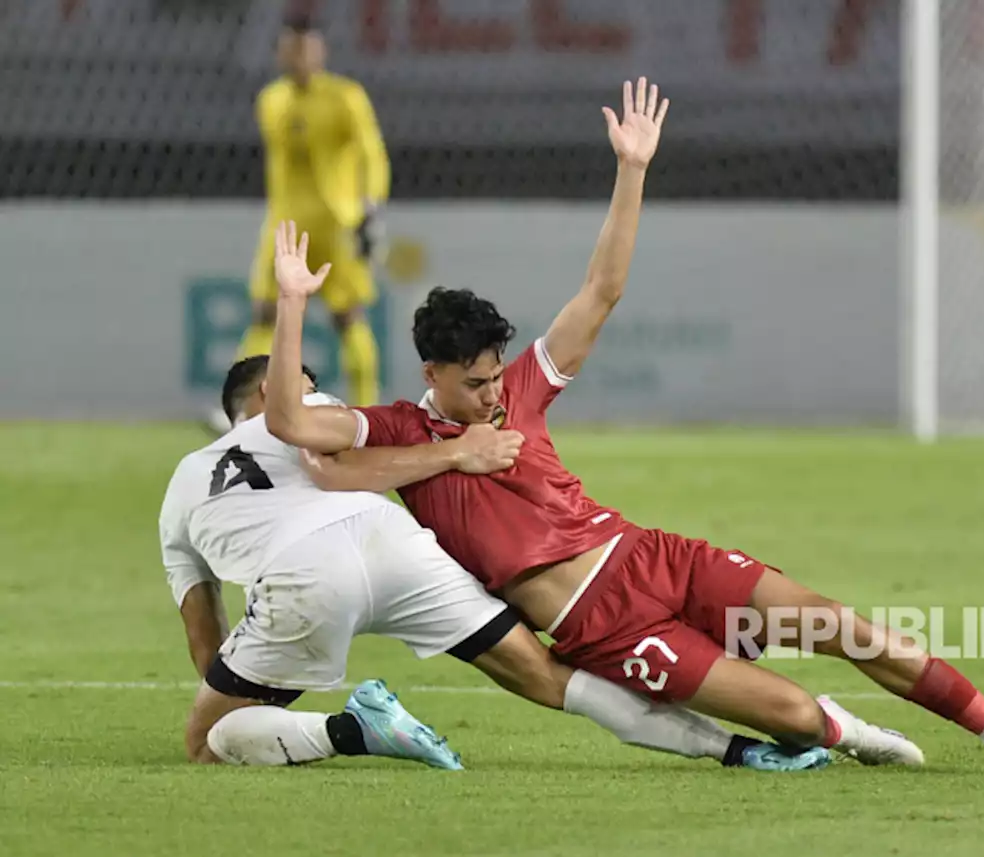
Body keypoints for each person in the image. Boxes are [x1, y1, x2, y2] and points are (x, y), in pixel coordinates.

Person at [260, 78, 930, 768]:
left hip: (635, 561)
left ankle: (867, 727)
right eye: (474, 381)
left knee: (819, 626)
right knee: (739, 706)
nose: (493, 392)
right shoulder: (396, 429)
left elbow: (601, 290)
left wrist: (632, 169)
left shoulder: (519, 388)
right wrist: (291, 303)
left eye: (496, 375)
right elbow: (287, 420)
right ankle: (799, 737)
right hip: (574, 619)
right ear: (432, 374)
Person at [162, 355, 831, 771]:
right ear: (273, 401)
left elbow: (202, 641)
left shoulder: (186, 482)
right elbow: (355, 463)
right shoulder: (321, 409)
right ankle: (736, 749)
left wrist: (242, 685)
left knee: (208, 735)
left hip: (302, 575)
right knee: (547, 676)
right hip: (397, 545)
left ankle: (352, 729)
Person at [236, 10, 387, 408]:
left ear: (321, 52)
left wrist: (370, 206)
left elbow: (371, 154)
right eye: (291, 49)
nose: (298, 58)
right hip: (284, 225)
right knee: (264, 314)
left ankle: (366, 411)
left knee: (347, 316)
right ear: (280, 53)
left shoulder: (345, 98)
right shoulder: (271, 101)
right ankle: (243, 412)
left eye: (306, 48)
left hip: (335, 224)